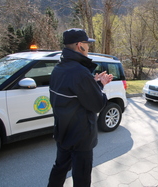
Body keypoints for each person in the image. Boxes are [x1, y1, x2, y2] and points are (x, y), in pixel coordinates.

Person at [47, 28, 113, 187]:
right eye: (87, 44)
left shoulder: (59, 68)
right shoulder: (80, 73)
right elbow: (97, 104)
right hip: (80, 136)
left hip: (62, 131)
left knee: (60, 168)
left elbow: (75, 96)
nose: (88, 47)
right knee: (81, 176)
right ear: (79, 45)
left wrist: (94, 84)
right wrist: (100, 85)